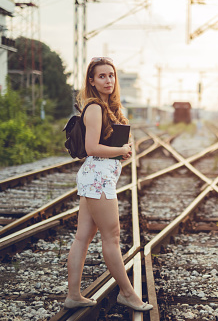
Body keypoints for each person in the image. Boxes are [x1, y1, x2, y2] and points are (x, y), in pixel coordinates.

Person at [64, 57, 153, 312]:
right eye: (102, 76)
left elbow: (105, 147)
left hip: (98, 177)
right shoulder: (94, 107)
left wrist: (122, 151)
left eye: (111, 76)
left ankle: (73, 295)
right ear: (91, 81)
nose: (108, 81)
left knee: (83, 237)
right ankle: (127, 294)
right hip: (98, 179)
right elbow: (92, 148)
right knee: (111, 238)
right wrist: (118, 150)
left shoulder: (107, 107)